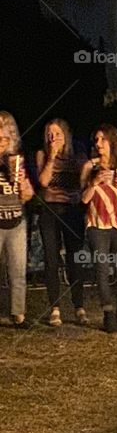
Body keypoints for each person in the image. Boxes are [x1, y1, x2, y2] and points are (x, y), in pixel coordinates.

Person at [79, 125, 117, 333]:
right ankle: (108, 313)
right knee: (102, 270)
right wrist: (94, 183)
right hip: (98, 224)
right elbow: (83, 199)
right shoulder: (89, 166)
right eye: (96, 140)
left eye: (103, 139)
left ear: (113, 142)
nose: (98, 144)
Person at [36, 118, 88, 326]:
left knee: (75, 259)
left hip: (72, 212)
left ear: (65, 136)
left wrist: (77, 194)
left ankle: (79, 306)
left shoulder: (78, 157)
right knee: (51, 258)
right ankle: (55, 307)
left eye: (57, 134)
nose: (53, 138)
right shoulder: (42, 155)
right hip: (50, 212)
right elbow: (43, 182)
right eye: (50, 134)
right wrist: (52, 158)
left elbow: (83, 185)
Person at [0, 111, 35, 328]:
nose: (2, 143)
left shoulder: (18, 160)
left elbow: (27, 196)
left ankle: (18, 314)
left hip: (16, 220)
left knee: (18, 270)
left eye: (4, 138)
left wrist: (22, 183)